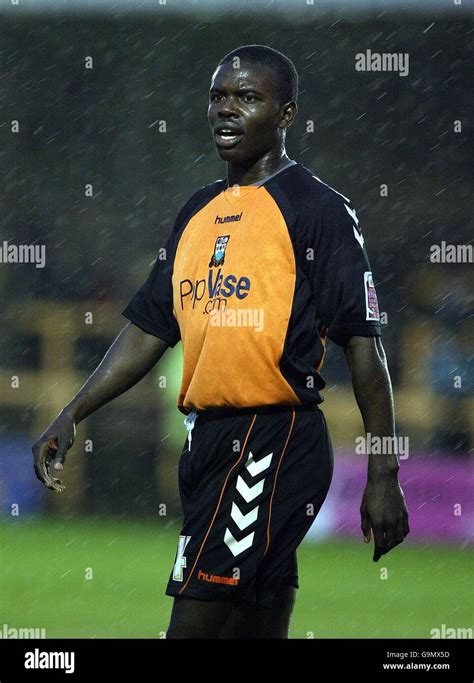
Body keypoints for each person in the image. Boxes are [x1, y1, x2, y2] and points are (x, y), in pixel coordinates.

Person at [33, 44, 409, 639]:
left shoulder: (318, 211)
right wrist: (73, 410)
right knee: (252, 630)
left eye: (247, 98)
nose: (226, 111)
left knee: (194, 626)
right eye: (218, 97)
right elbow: (150, 327)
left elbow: (364, 344)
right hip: (207, 444)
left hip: (270, 441)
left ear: (286, 115)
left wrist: (383, 472)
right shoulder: (196, 212)